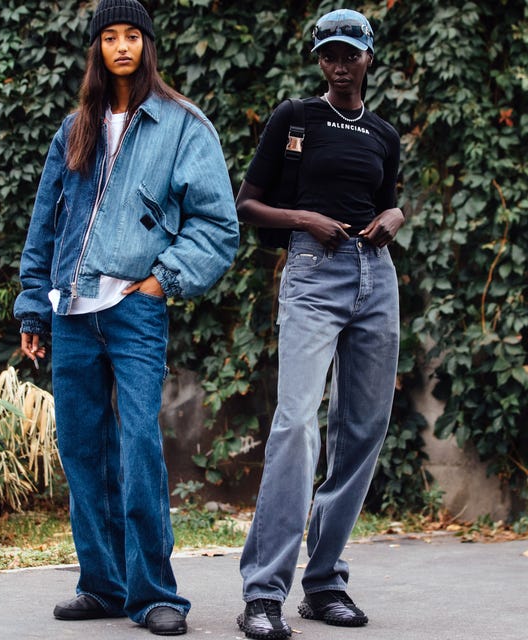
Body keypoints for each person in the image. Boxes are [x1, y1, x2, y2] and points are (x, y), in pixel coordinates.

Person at [13, 0, 239, 635]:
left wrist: (161, 282)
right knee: (82, 448)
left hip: (134, 311)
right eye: (108, 37)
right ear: (97, 49)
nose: (120, 46)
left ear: (147, 45)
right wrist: (35, 304)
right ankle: (103, 584)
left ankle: (155, 594)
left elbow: (217, 226)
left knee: (139, 445)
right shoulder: (75, 127)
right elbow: (45, 226)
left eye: (131, 36)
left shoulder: (182, 125)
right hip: (72, 313)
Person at [235, 9, 404, 639]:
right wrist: (304, 219)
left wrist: (396, 216)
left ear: (367, 59)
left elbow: (385, 199)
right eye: (328, 54)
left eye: (349, 54)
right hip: (312, 271)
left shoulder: (384, 134)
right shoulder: (295, 117)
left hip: (375, 277)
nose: (339, 64)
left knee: (362, 430)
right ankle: (262, 594)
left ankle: (324, 582)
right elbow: (246, 204)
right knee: (297, 422)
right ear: (318, 60)